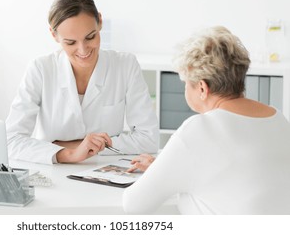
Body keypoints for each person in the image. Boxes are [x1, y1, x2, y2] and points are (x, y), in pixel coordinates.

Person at [123, 26, 290, 215]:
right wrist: (166, 168)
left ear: (202, 88)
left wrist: (175, 181)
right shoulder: (279, 119)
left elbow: (133, 204)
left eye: (186, 83)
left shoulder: (200, 129)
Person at [6, 0, 159, 165]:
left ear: (100, 22)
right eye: (71, 42)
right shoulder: (40, 69)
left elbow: (149, 139)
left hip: (102, 170)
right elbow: (11, 140)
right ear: (54, 35)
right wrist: (69, 154)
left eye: (90, 37)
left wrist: (74, 146)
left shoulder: (125, 65)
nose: (83, 50)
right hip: (53, 170)